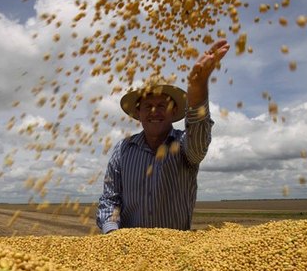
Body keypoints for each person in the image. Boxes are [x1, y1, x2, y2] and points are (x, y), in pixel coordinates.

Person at [96, 39, 230, 233]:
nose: (154, 112)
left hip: (176, 250)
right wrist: (113, 234)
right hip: (130, 252)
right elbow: (110, 199)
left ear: (173, 110)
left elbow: (199, 142)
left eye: (161, 106)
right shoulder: (122, 149)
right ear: (138, 112)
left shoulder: (184, 145)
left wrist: (198, 89)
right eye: (147, 107)